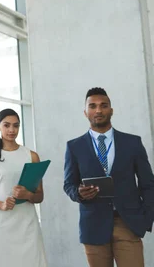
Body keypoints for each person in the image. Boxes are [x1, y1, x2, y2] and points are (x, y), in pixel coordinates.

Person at [64, 87, 154, 267]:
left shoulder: (132, 143)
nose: (98, 110)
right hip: (93, 224)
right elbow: (69, 184)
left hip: (128, 223)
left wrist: (147, 218)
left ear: (111, 110)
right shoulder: (74, 146)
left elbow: (148, 183)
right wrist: (79, 193)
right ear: (85, 112)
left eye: (103, 106)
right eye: (93, 106)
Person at [0, 108, 47, 267]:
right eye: (6, 125)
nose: (12, 130)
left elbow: (39, 196)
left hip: (27, 222)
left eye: (16, 125)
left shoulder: (31, 156)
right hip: (1, 222)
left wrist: (28, 194)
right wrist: (0, 204)